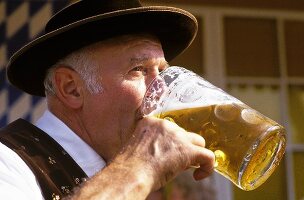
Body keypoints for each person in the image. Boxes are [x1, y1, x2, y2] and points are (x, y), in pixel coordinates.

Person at [0, 0, 215, 199]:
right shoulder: (6, 162)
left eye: (162, 72)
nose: (162, 90)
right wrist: (141, 168)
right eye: (139, 70)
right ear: (71, 88)